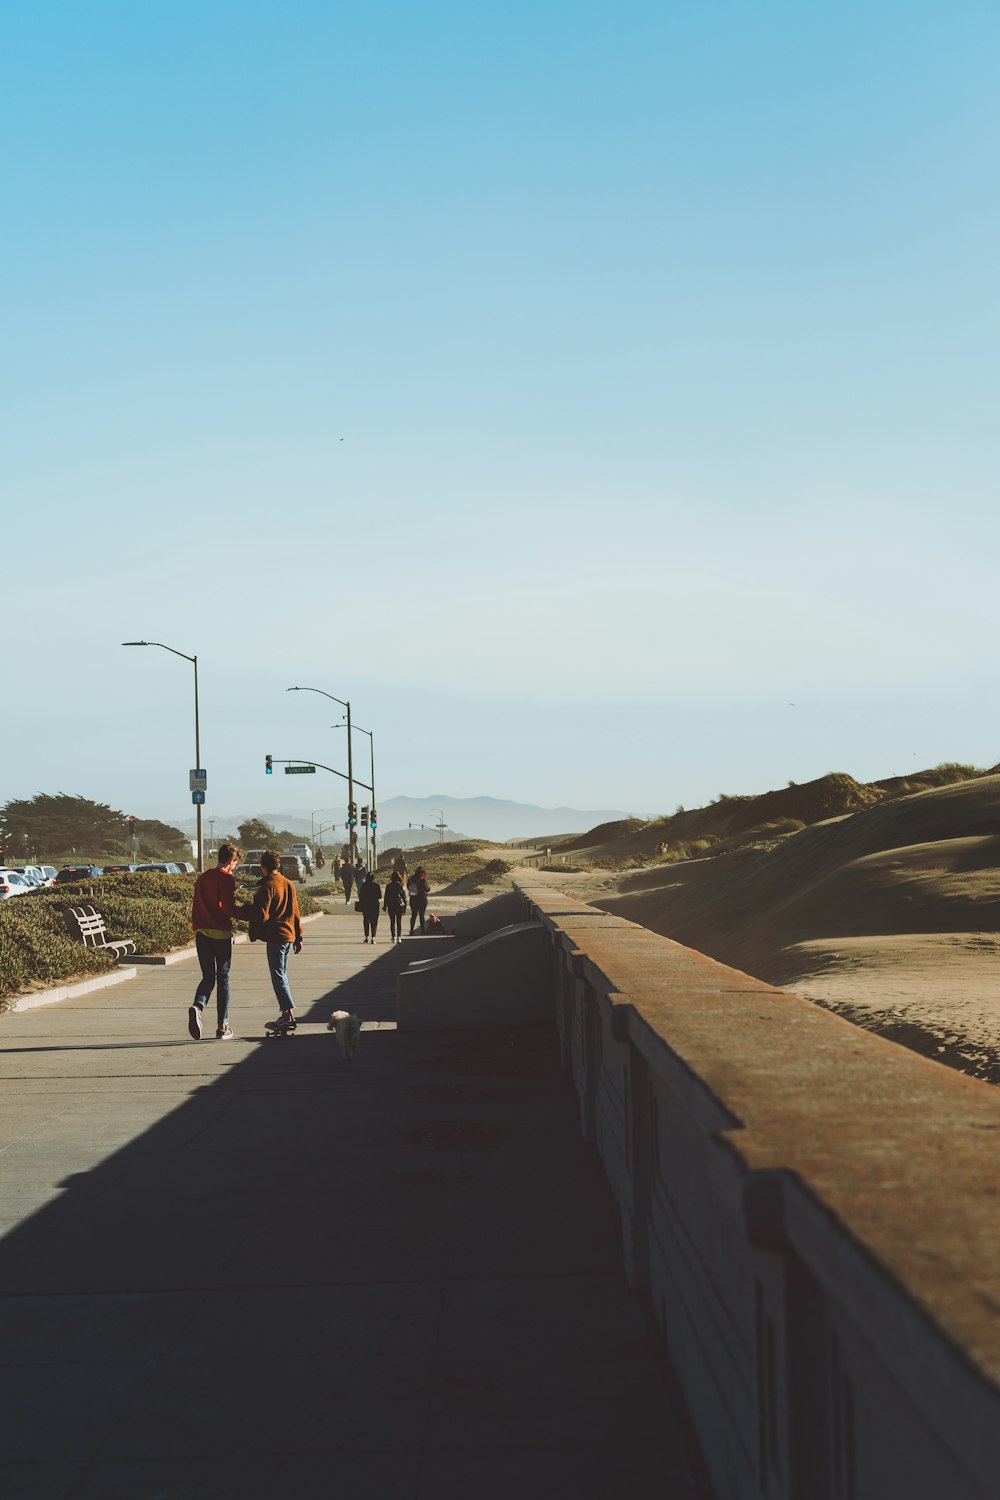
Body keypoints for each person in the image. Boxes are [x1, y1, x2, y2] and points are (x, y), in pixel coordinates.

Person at [187, 841, 244, 1040]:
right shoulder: (226, 879)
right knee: (223, 978)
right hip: (220, 935)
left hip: (202, 934)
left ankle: (198, 1005)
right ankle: (223, 1026)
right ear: (231, 860)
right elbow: (228, 907)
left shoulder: (203, 877)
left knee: (208, 977)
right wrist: (249, 915)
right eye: (236, 862)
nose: (235, 866)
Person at [248, 848, 303, 1031]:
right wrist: (298, 936)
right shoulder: (288, 884)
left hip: (276, 937)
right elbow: (296, 912)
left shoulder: (267, 886)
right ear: (278, 865)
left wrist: (248, 914)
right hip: (288, 936)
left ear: (263, 867)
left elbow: (261, 915)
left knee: (278, 975)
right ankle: (286, 1016)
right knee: (282, 975)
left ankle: (288, 1014)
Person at [383, 869, 407, 943]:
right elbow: (404, 898)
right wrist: (405, 908)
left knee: (392, 922)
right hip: (399, 905)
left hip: (391, 905)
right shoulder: (400, 886)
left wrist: (385, 906)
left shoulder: (388, 886)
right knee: (399, 922)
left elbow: (386, 897)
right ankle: (399, 937)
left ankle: (393, 937)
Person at [359, 869, 382, 942]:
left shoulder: (363, 885)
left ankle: (366, 937)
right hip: (374, 905)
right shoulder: (376, 885)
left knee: (366, 921)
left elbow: (361, 895)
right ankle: (373, 937)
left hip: (365, 905)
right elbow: (379, 896)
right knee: (374, 921)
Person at [409, 865, 430, 934]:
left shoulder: (411, 879)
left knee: (413, 915)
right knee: (421, 915)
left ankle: (411, 930)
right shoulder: (422, 879)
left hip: (413, 899)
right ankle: (423, 930)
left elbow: (408, 887)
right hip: (421, 899)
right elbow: (427, 889)